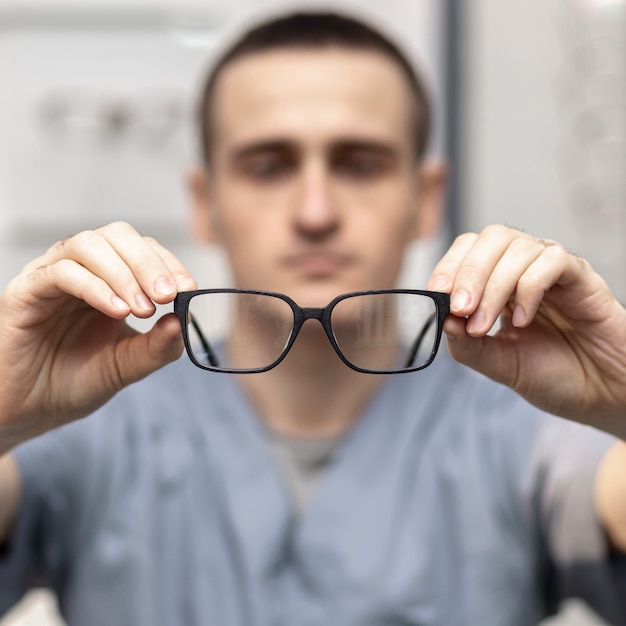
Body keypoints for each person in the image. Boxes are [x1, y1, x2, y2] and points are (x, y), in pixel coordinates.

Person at [1, 10, 626, 626]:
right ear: (205, 203)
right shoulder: (92, 424)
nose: (316, 211)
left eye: (360, 165)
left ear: (425, 199)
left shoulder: (523, 432)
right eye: (269, 167)